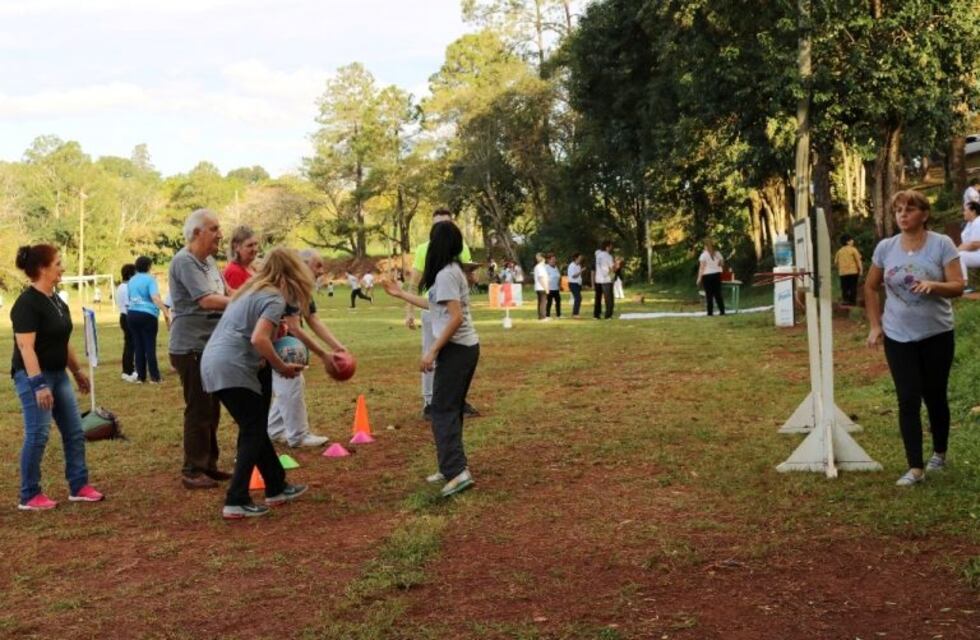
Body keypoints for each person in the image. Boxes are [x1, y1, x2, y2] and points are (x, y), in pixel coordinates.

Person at [201, 248, 311, 520]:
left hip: (215, 363)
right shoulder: (273, 297)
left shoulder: (250, 291)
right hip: (232, 365)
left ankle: (276, 485)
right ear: (291, 274)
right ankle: (236, 498)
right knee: (252, 429)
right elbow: (259, 339)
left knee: (255, 427)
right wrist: (281, 366)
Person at [865, 190, 964, 487]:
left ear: (924, 214)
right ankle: (915, 468)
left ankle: (940, 452)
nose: (902, 214)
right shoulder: (886, 247)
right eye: (898, 210)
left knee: (934, 395)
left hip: (936, 333)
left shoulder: (941, 244)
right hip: (897, 334)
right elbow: (870, 287)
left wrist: (934, 285)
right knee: (907, 398)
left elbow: (958, 285)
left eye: (909, 209)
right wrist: (874, 324)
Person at [383, 221, 479, 498]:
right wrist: (401, 294)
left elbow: (456, 316)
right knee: (449, 408)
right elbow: (435, 305)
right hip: (461, 348)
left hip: (457, 349)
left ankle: (457, 471)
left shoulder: (448, 274)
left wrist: (433, 350)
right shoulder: (447, 274)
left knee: (442, 409)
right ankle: (450, 466)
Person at [11, 244, 104, 510]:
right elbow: (25, 347)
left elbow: (63, 342)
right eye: (58, 263)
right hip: (33, 377)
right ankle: (29, 495)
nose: (62, 267)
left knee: (74, 431)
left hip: (59, 374)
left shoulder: (57, 301)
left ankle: (79, 485)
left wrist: (76, 372)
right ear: (42, 268)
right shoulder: (26, 304)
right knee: (38, 434)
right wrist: (38, 385)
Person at [169, 209, 231, 490]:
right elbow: (207, 300)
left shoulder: (209, 263)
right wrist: (244, 303)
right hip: (191, 347)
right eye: (214, 228)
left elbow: (226, 293)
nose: (220, 234)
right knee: (199, 409)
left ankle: (208, 465)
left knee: (212, 408)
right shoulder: (185, 261)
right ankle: (193, 470)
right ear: (197, 233)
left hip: (209, 346)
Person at [267, 249, 349, 448]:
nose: (321, 271)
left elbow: (312, 320)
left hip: (282, 341)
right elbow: (294, 326)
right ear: (301, 265)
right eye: (317, 265)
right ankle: (298, 435)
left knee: (293, 384)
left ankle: (276, 429)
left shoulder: (301, 287)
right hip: (276, 342)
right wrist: (323, 354)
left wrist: (338, 346)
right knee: (291, 383)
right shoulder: (289, 286)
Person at [406, 209, 478, 420]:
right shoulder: (423, 250)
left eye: (446, 224)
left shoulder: (459, 251)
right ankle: (430, 402)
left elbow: (468, 278)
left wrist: (470, 276)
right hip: (434, 308)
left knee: (448, 359)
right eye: (437, 225)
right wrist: (408, 310)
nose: (442, 230)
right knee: (432, 355)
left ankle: (454, 400)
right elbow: (415, 282)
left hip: (454, 306)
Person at [126, 256, 171, 384]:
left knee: (138, 346)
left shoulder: (131, 280)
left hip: (132, 314)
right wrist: (165, 311)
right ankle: (155, 377)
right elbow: (155, 297)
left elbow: (131, 297)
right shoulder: (150, 279)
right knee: (149, 346)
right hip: (147, 314)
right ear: (148, 266)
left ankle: (141, 376)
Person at [223, 225, 259, 293]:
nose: (255, 249)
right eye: (250, 245)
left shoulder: (253, 267)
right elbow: (237, 302)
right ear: (236, 247)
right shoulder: (234, 272)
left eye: (256, 244)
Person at [116, 263, 137, 382]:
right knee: (130, 345)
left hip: (123, 316)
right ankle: (129, 371)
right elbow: (130, 304)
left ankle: (127, 370)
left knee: (129, 344)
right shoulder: (127, 288)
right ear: (130, 275)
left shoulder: (120, 287)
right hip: (128, 316)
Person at [696, 239, 726, 316]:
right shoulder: (717, 253)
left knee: (709, 294)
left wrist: (699, 278)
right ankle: (722, 311)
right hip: (717, 275)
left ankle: (710, 312)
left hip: (707, 275)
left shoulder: (703, 255)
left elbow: (702, 267)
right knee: (718, 294)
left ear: (705, 246)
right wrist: (718, 263)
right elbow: (722, 264)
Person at [834, 234, 863, 306]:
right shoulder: (853, 250)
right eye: (851, 240)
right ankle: (852, 301)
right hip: (853, 272)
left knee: (844, 287)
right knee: (853, 287)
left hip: (843, 273)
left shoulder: (839, 251)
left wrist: (840, 268)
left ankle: (845, 300)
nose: (853, 241)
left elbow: (835, 262)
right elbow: (858, 260)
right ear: (848, 242)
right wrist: (861, 270)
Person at [956, 202, 980, 290]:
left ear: (973, 211)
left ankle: (964, 285)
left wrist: (957, 250)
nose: (964, 213)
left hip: (978, 252)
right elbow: (965, 243)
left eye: (965, 210)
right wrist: (955, 249)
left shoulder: (978, 222)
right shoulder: (970, 223)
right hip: (975, 253)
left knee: (959, 256)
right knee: (955, 255)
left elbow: (976, 244)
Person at [594, 241, 615, 319]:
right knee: (609, 299)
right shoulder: (608, 256)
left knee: (598, 298)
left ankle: (596, 314)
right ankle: (608, 315)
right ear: (607, 247)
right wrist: (617, 265)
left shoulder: (598, 255)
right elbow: (612, 268)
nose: (611, 248)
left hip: (598, 279)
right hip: (606, 280)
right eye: (610, 246)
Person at [567, 253, 584, 318]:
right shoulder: (572, 265)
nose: (581, 259)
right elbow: (573, 276)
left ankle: (575, 313)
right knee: (578, 298)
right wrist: (581, 271)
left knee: (578, 298)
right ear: (576, 258)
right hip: (572, 284)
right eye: (580, 258)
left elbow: (579, 276)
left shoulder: (578, 266)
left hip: (578, 284)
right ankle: (575, 314)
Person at [533, 253, 549, 321]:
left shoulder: (540, 267)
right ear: (543, 259)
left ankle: (540, 316)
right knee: (543, 302)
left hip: (539, 287)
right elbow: (541, 278)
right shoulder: (540, 267)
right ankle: (543, 317)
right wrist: (546, 288)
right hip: (541, 287)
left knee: (540, 302)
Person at [545, 253, 562, 319]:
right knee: (549, 302)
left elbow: (559, 277)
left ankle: (558, 315)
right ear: (549, 260)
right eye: (553, 259)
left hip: (556, 288)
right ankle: (547, 315)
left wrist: (559, 285)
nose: (554, 260)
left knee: (558, 302)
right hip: (549, 288)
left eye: (555, 259)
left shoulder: (556, 267)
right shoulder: (546, 267)